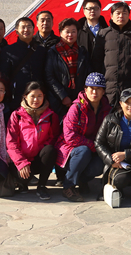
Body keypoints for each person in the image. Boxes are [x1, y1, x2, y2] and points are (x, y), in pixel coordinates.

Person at [55, 72, 112, 202]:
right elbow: (70, 137)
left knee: (101, 162)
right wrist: (94, 146)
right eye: (91, 88)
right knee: (83, 151)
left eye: (98, 89)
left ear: (103, 91)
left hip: (93, 148)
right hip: (71, 150)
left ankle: (81, 180)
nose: (94, 92)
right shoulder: (76, 108)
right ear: (85, 90)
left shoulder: (107, 110)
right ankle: (68, 186)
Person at [95, 88, 131, 205]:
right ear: (121, 103)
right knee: (120, 180)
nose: (130, 106)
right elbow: (98, 143)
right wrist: (111, 160)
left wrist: (126, 154)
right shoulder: (110, 120)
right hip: (117, 162)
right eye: (127, 102)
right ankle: (119, 189)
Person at [6, 81, 60, 201]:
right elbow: (11, 143)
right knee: (24, 178)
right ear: (25, 97)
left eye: (39, 96)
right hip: (21, 161)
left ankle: (41, 186)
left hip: (38, 159)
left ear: (44, 97)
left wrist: (42, 147)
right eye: (32, 96)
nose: (36, 100)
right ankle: (21, 182)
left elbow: (54, 138)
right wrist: (21, 162)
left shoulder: (51, 116)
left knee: (50, 150)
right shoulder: (16, 115)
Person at [92, 2, 131, 107]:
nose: (121, 16)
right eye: (117, 13)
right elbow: (96, 62)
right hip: (108, 88)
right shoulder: (103, 35)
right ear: (111, 15)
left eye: (124, 13)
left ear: (129, 15)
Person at [0, 17, 47, 111]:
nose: (26, 29)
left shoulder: (41, 51)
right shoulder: (8, 51)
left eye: (29, 27)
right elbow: (3, 76)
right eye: (23, 27)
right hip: (16, 97)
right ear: (17, 31)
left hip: (38, 97)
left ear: (34, 30)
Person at [45, 18, 90, 119]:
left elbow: (88, 73)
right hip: (58, 100)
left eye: (73, 31)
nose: (70, 35)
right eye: (67, 31)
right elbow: (49, 77)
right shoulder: (53, 52)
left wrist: (83, 94)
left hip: (79, 97)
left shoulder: (82, 51)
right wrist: (63, 96)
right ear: (61, 33)